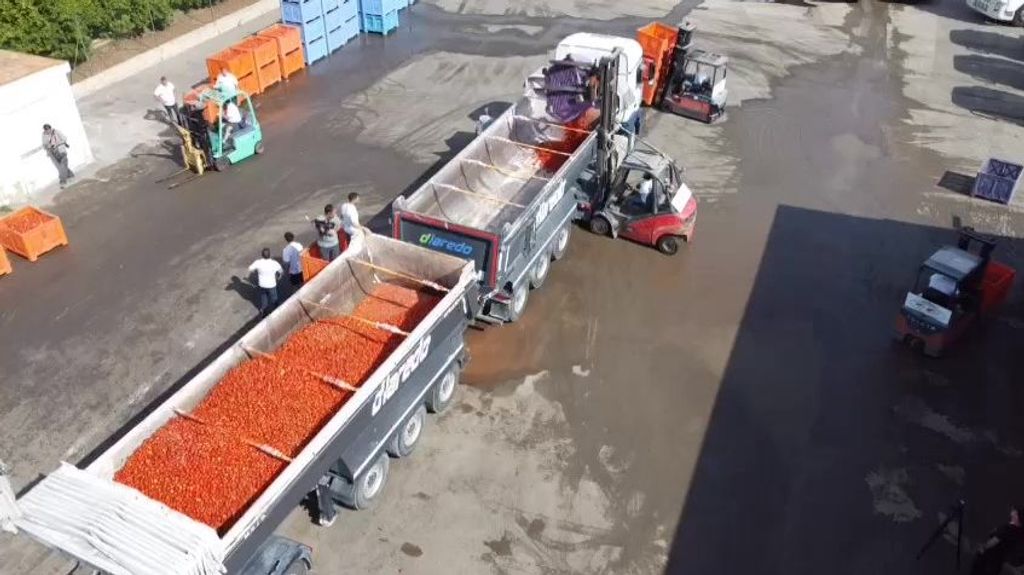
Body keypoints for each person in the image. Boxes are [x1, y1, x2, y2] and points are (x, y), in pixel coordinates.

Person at [971, 505, 1024, 575]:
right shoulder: (1019, 532)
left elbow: (994, 541)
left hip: (989, 562)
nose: (1012, 512)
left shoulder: (1008, 528)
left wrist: (983, 547)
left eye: (1014, 511)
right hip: (997, 564)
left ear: (1017, 515)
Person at [248, 248, 283, 317]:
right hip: (271, 284)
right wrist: (279, 277)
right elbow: (281, 271)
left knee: (264, 298)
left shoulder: (258, 262)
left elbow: (250, 268)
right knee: (274, 298)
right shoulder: (274, 263)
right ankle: (277, 312)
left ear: (262, 255)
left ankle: (264, 313)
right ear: (270, 255)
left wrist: (255, 272)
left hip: (262, 285)